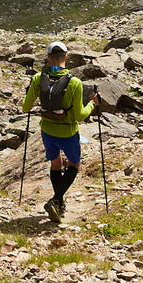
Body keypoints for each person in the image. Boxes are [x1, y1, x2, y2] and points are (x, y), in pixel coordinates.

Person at [23, 41, 95, 226]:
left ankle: (59, 204)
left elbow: (25, 107)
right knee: (74, 164)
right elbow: (79, 115)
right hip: (68, 132)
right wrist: (93, 104)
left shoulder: (39, 79)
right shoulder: (75, 82)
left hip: (47, 131)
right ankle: (56, 200)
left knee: (55, 163)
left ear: (48, 58)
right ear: (67, 57)